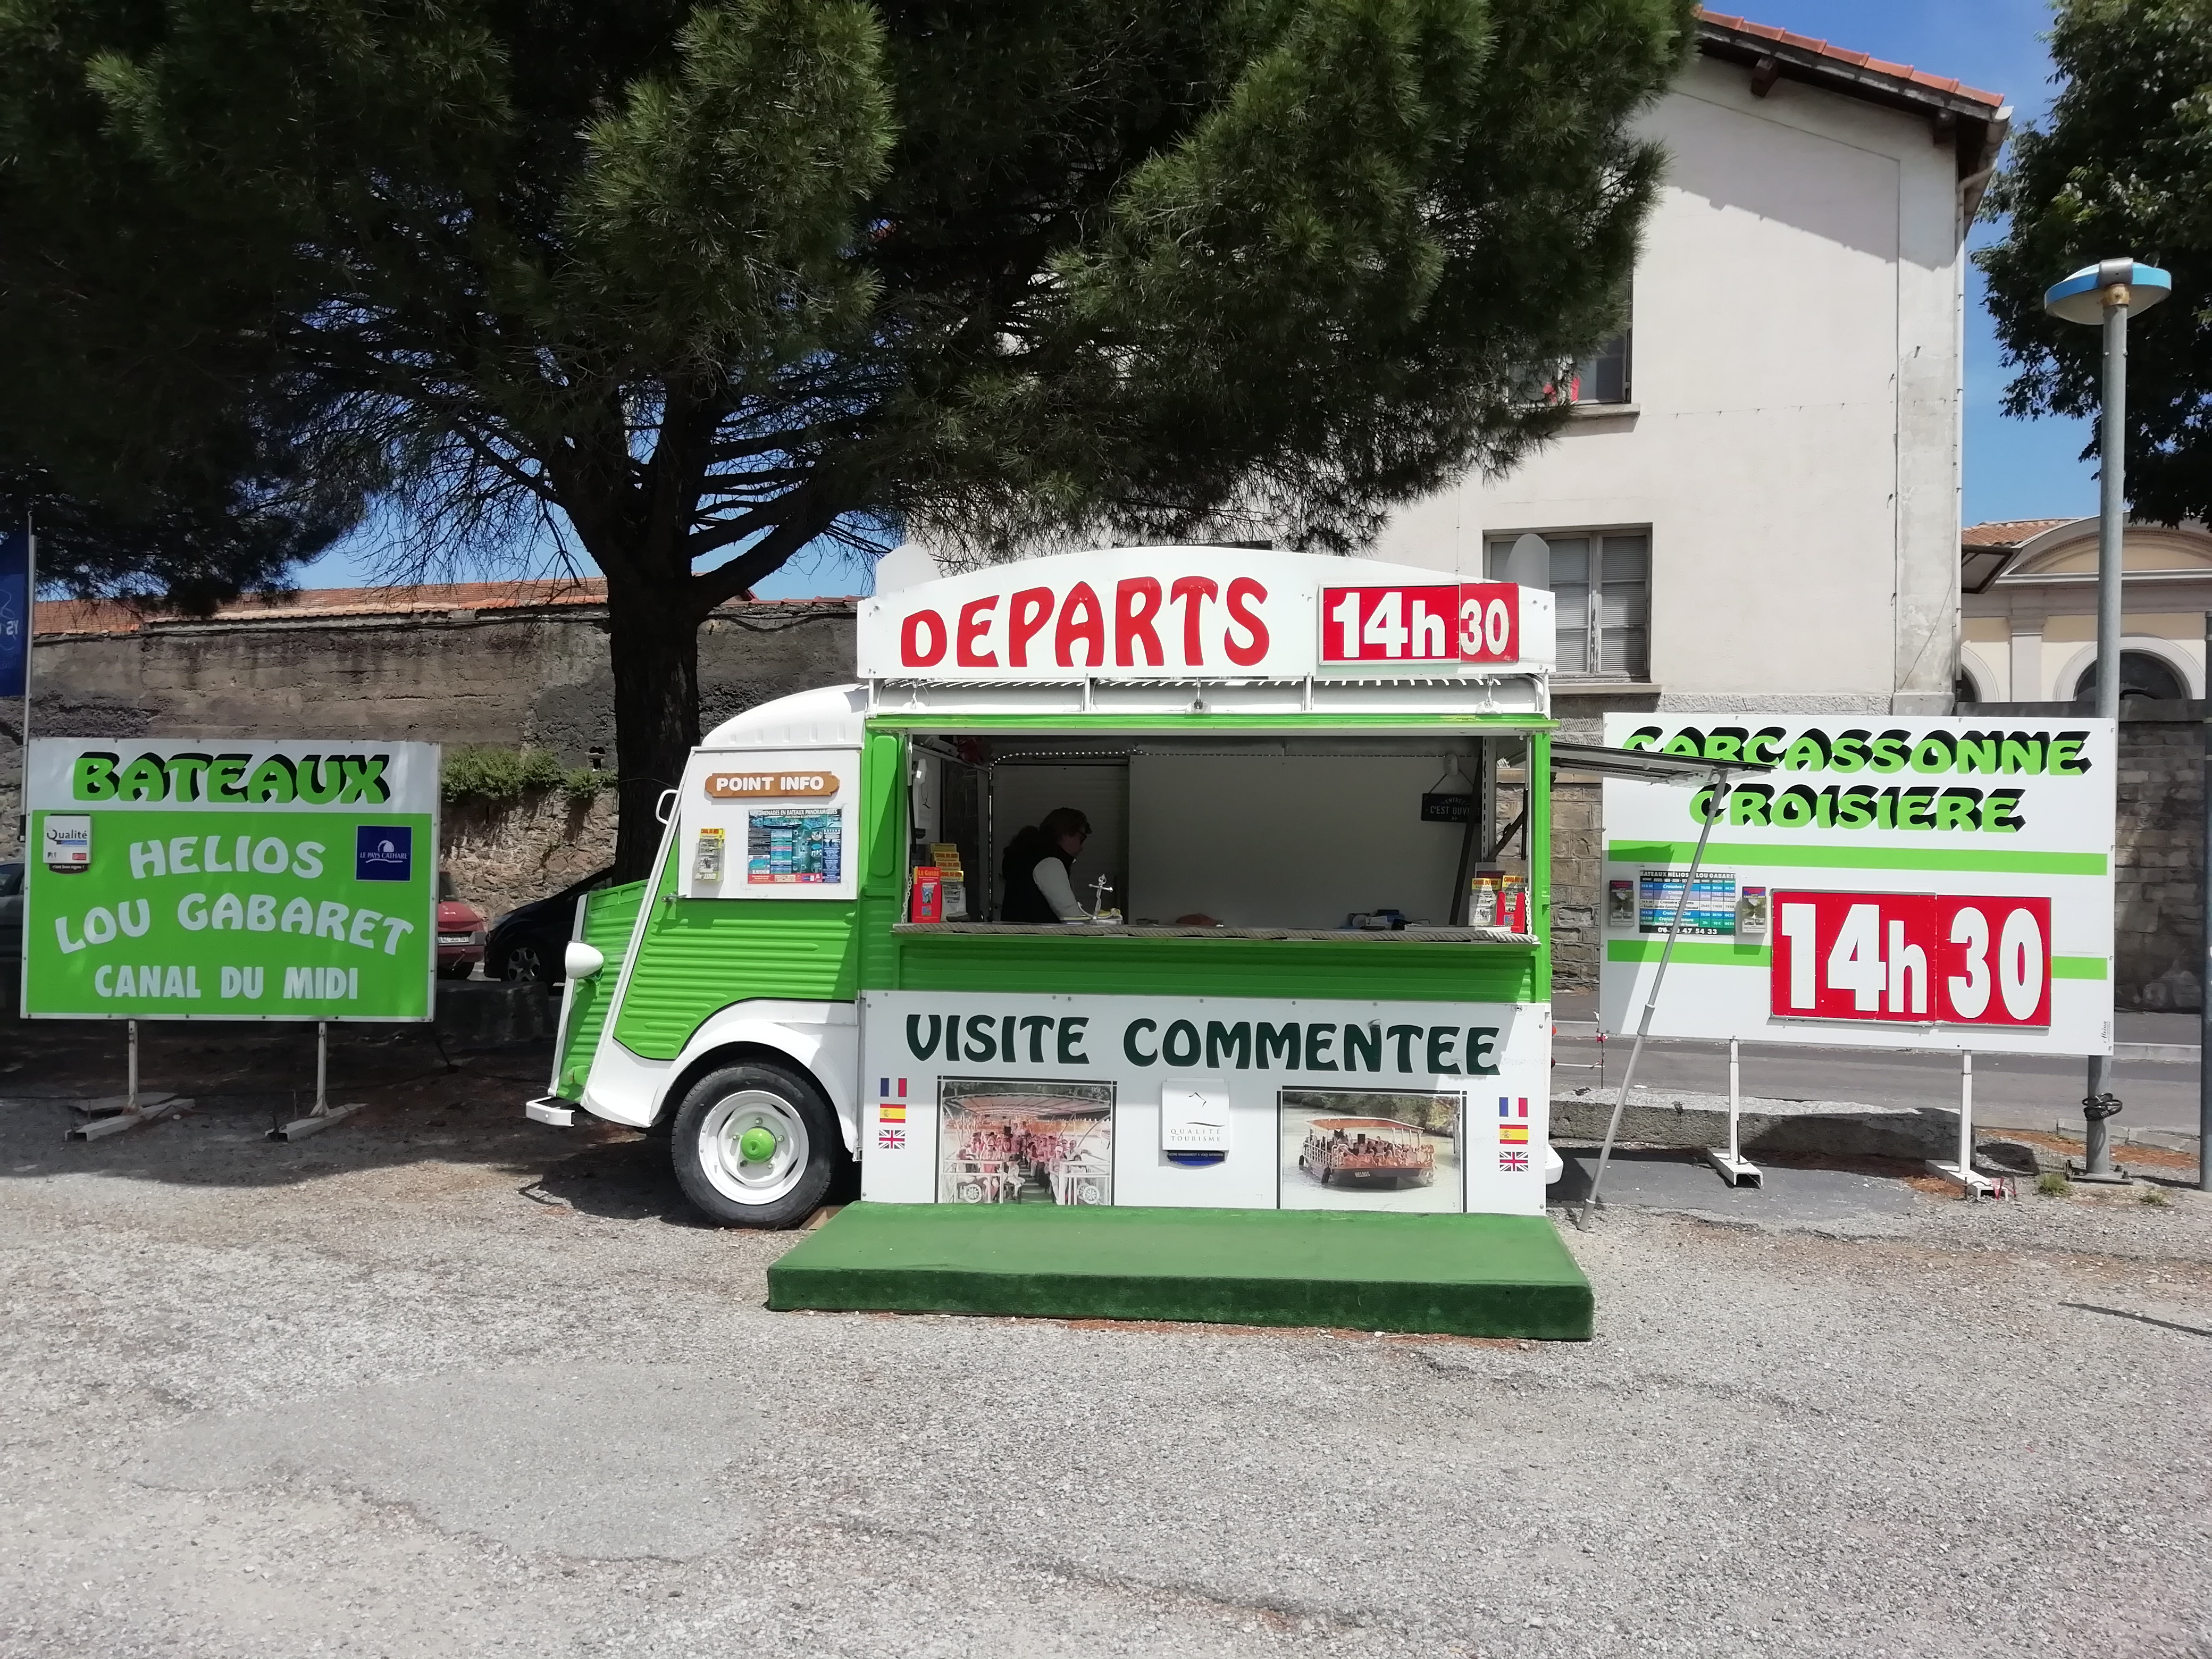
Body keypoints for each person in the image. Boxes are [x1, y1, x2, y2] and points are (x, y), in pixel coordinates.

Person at [1000, 807, 1092, 923]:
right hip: (1037, 934)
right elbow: (1072, 916)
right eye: (1081, 839)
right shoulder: (1050, 863)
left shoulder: (1028, 858)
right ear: (1066, 834)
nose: (1081, 848)